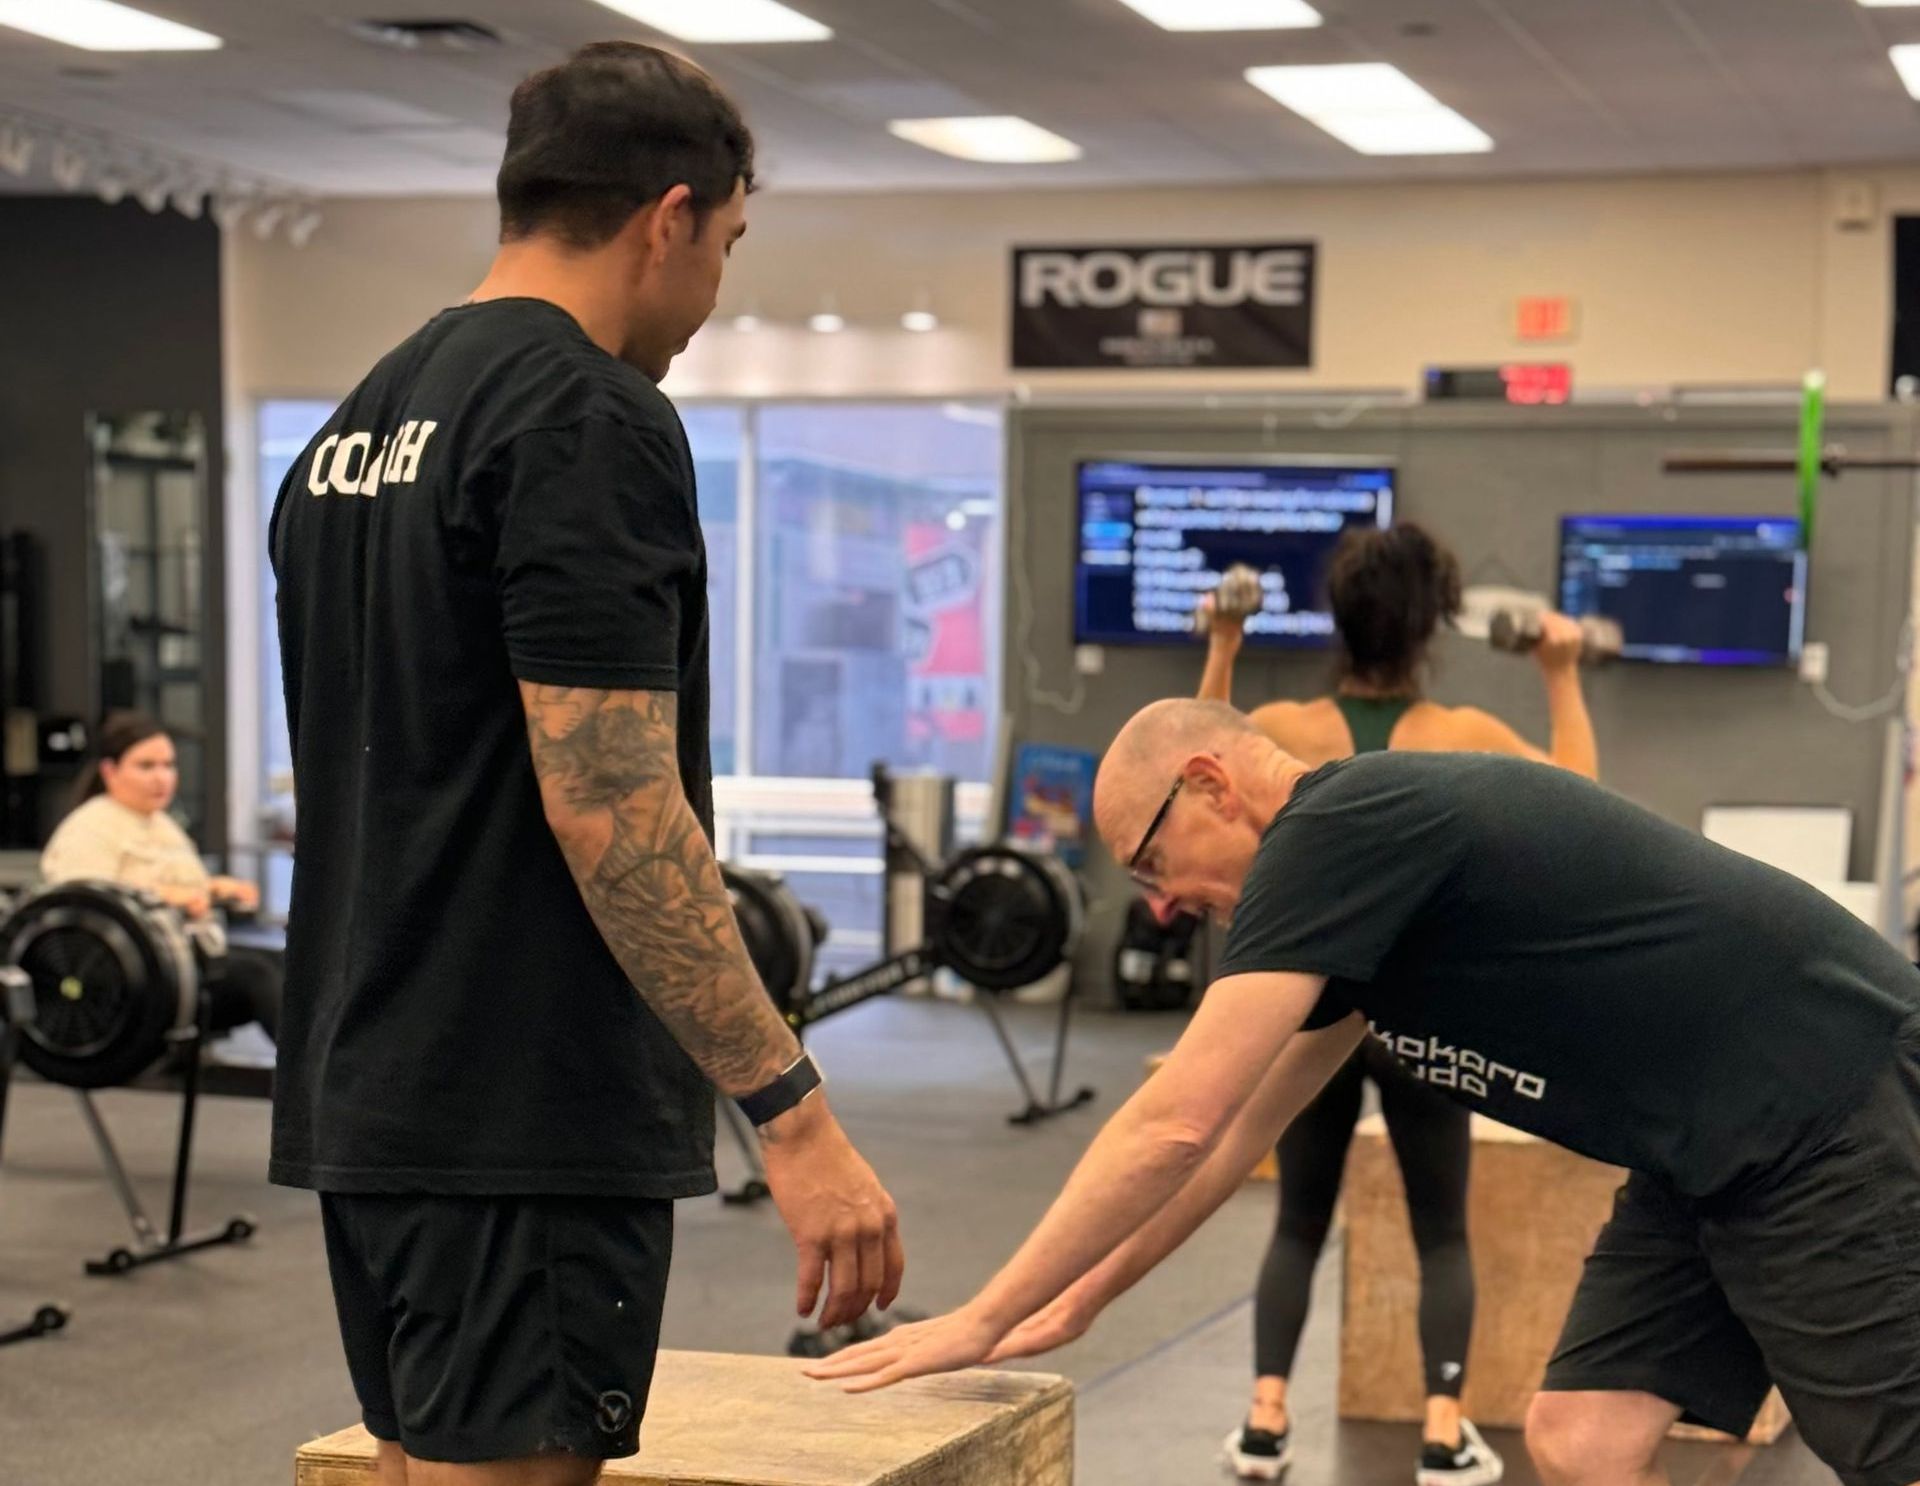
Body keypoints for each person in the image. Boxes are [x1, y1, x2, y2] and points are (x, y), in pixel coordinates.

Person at [269, 43, 901, 1486]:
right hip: (519, 1111)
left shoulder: (353, 429)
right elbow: (611, 802)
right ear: (669, 218)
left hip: (372, 1094)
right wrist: (793, 1112)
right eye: (728, 242)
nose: (716, 286)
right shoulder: (586, 418)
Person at [808, 698, 1920, 1486]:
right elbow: (1233, 1134)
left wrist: (984, 1314)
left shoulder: (1337, 828)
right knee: (1582, 1439)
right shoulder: (1348, 914)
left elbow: (1175, 1120)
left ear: (1211, 786)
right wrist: (1081, 1298)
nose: (1160, 904)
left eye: (1151, 863)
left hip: (1827, 1102)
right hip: (1701, 1149)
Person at [1193, 524, 1597, 1483]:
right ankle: (1442, 1434)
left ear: (1339, 620)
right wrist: (1561, 671)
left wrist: (1223, 644)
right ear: (1429, 629)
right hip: (1422, 1020)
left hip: (1313, 1013)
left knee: (1298, 1219)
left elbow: (1194, 758)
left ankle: (1264, 1422)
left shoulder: (1281, 728)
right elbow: (1583, 800)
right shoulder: (1463, 736)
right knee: (1441, 1229)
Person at [40, 711, 278, 1037]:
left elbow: (185, 887)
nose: (162, 778)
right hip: (135, 979)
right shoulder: (88, 829)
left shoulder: (162, 825)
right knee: (257, 975)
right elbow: (84, 906)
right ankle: (311, 1068)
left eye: (168, 765)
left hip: (189, 959)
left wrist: (215, 888)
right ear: (110, 771)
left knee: (286, 962)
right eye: (146, 766)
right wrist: (167, 897)